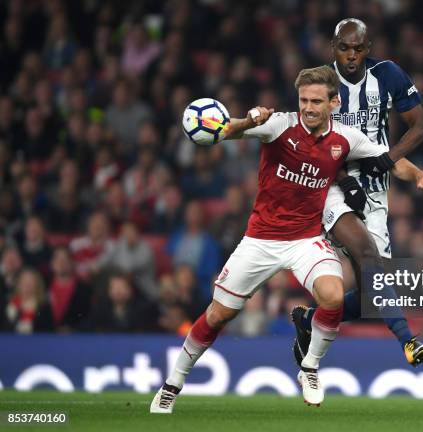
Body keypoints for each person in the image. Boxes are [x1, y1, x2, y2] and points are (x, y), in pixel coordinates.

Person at [151, 65, 403, 412]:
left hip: (306, 240)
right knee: (217, 315)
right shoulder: (279, 125)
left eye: (316, 101)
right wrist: (248, 120)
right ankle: (172, 384)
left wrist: (420, 176)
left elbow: (387, 159)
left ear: (333, 103)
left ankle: (310, 367)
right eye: (304, 100)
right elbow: (226, 131)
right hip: (260, 240)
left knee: (331, 294)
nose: (309, 108)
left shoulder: (346, 138)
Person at [291, 18, 423, 368]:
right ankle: (407, 339)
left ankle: (308, 320)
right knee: (365, 253)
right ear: (333, 48)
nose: (351, 55)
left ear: (368, 49)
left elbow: (412, 132)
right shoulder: (320, 84)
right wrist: (345, 181)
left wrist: (416, 172)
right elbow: (311, 140)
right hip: (327, 183)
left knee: (374, 293)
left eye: (358, 48)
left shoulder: (388, 75)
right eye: (344, 47)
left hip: (374, 188)